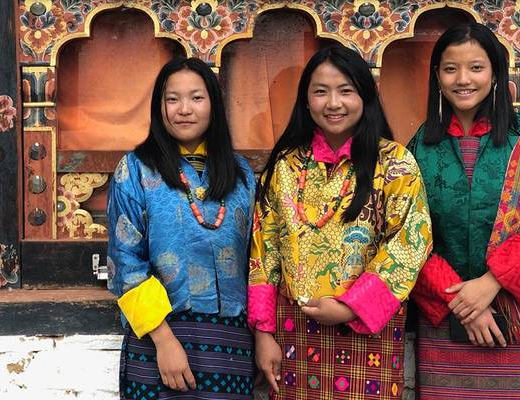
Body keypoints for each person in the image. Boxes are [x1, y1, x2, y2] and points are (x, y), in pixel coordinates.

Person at [408, 23, 520, 399]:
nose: (463, 79)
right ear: (436, 76)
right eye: (450, 68)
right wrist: (464, 304)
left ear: (496, 74)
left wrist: (489, 286)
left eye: (476, 67)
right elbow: (407, 234)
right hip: (446, 321)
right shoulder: (421, 147)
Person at [247, 45, 432, 399]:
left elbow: (411, 244)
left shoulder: (395, 164)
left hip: (368, 333)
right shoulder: (285, 166)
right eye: (321, 91)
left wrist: (350, 306)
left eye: (346, 90)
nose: (333, 103)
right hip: (293, 331)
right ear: (305, 101)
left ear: (365, 96)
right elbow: (263, 250)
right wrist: (263, 333)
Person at [107, 57, 256, 400]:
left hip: (229, 345)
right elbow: (125, 263)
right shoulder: (136, 171)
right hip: (159, 342)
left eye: (196, 98)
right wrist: (164, 341)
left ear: (214, 105)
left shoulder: (242, 175)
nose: (184, 109)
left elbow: (258, 259)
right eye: (172, 99)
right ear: (159, 106)